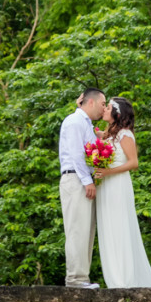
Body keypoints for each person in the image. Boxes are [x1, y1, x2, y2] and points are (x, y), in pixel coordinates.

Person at [93, 96, 151, 288]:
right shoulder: (110, 134)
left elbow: (133, 163)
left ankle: (124, 280)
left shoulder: (125, 134)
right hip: (106, 186)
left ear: (117, 113)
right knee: (108, 228)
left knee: (119, 227)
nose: (104, 109)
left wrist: (107, 172)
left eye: (108, 107)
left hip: (118, 185)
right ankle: (114, 278)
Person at [59, 87, 106, 288]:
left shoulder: (85, 123)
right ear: (91, 102)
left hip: (82, 178)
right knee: (77, 229)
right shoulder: (74, 122)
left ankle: (82, 278)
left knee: (86, 230)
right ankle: (75, 279)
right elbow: (77, 154)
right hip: (75, 179)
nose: (104, 109)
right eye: (103, 104)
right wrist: (87, 181)